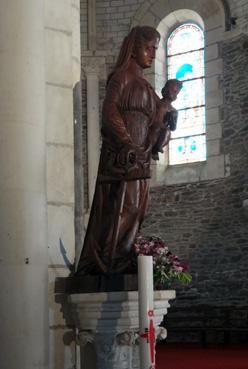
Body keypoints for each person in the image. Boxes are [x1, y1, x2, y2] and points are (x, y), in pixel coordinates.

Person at [76, 26, 171, 275]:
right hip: (123, 156)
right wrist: (128, 143)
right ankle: (111, 259)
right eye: (147, 47)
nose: (151, 53)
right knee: (125, 206)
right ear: (133, 48)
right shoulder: (122, 76)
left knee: (140, 209)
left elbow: (154, 125)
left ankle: (124, 254)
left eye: (155, 49)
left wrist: (165, 126)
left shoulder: (146, 86)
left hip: (140, 156)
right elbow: (109, 113)